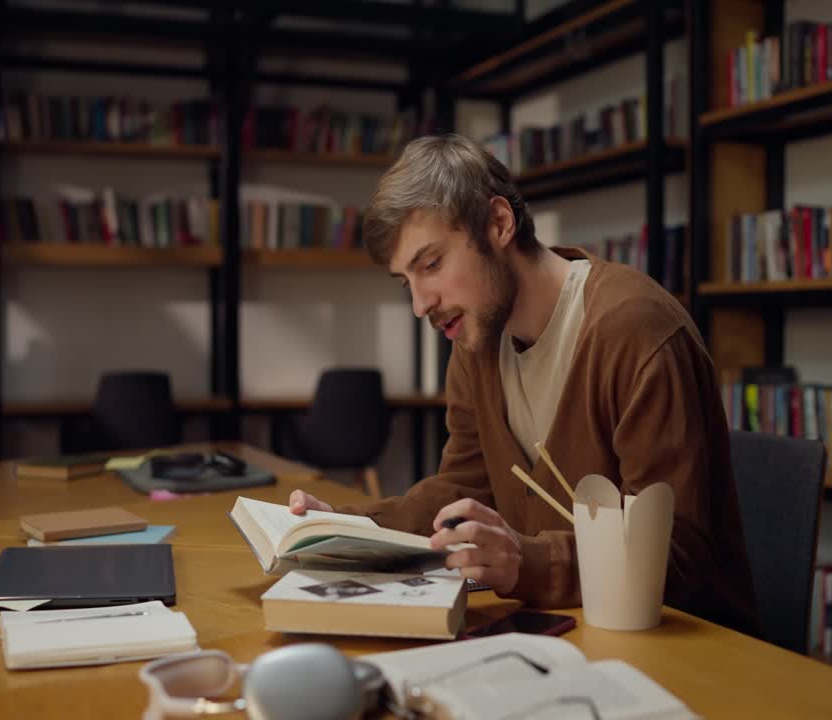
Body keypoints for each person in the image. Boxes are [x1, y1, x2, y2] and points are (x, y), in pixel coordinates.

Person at [289, 134, 757, 632]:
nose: (420, 304)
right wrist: (344, 529)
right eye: (408, 281)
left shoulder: (633, 330)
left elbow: (676, 552)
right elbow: (461, 489)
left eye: (431, 264)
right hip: (563, 633)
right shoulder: (476, 343)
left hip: (686, 649)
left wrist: (525, 561)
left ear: (499, 223)